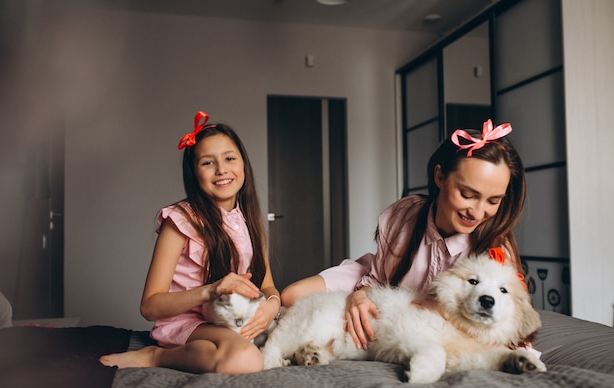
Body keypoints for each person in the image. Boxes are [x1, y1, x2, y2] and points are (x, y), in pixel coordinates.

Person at [281, 119, 526, 351]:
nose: (477, 211)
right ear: (440, 176)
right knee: (291, 296)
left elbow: (510, 325)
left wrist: (444, 311)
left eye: (493, 201)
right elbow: (377, 281)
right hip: (378, 279)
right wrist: (358, 297)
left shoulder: (496, 248)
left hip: (402, 305)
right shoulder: (404, 214)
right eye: (467, 194)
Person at [100, 111, 280, 374]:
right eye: (208, 163)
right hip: (189, 322)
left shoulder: (249, 221)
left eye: (230, 158)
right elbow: (150, 306)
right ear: (193, 173)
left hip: (228, 322)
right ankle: (156, 357)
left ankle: (211, 350)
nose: (222, 170)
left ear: (243, 163)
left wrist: (271, 307)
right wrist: (210, 290)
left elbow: (268, 285)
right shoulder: (180, 221)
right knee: (246, 360)